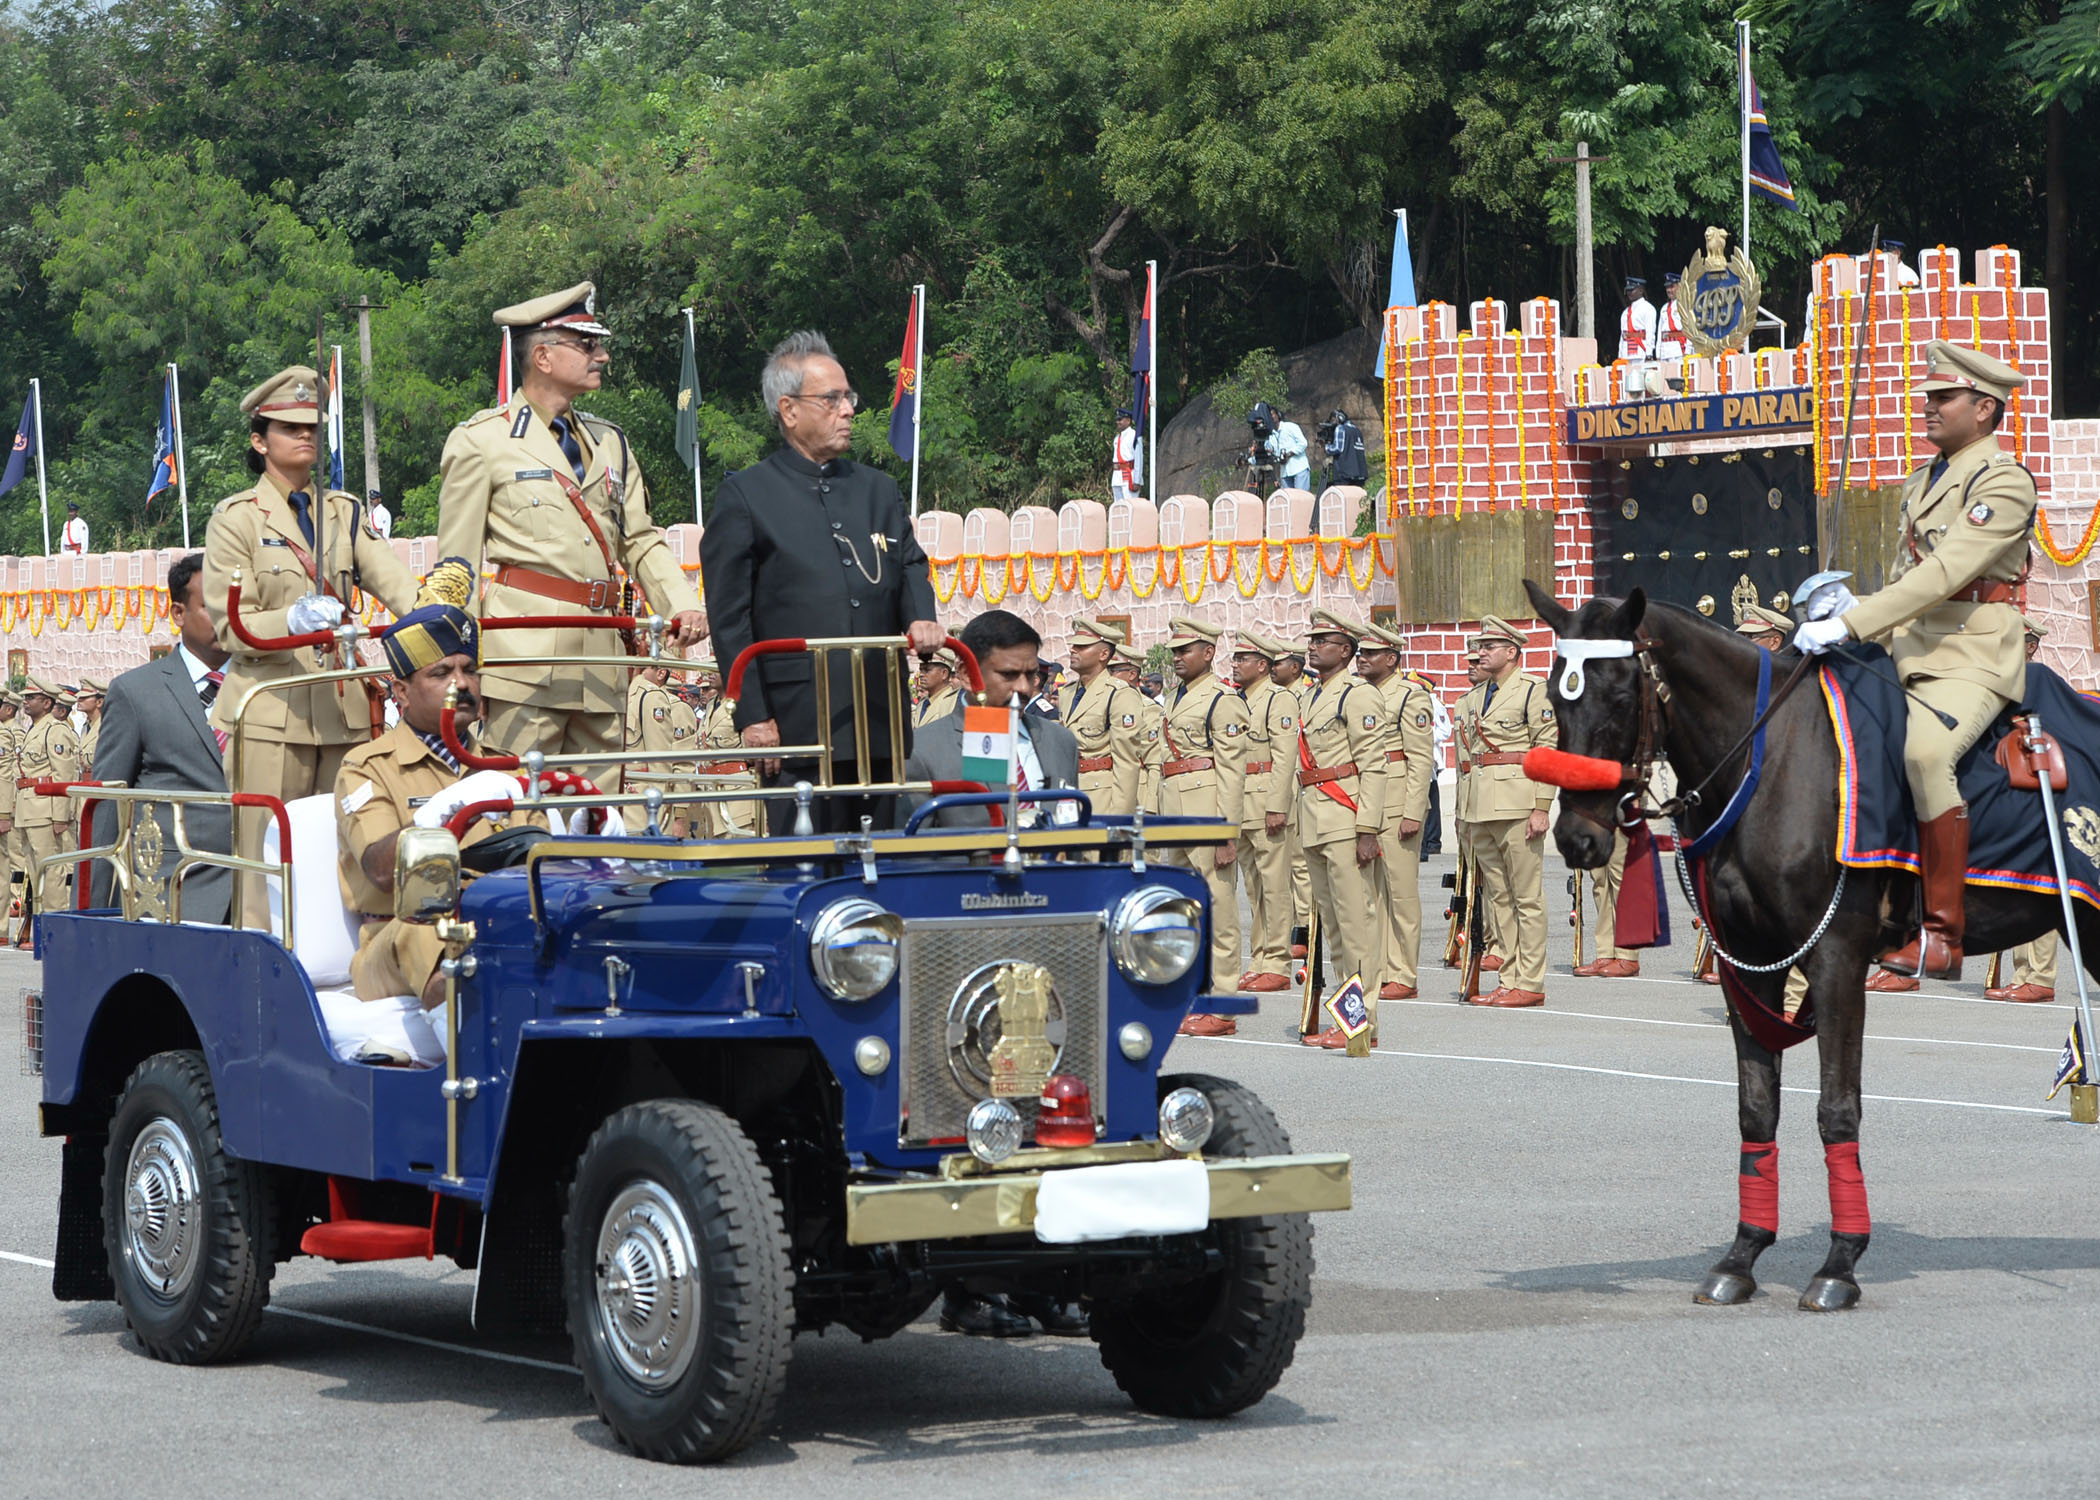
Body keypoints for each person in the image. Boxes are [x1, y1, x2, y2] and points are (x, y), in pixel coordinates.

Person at [1793, 341, 2036, 981]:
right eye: (1928, 396)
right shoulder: (1923, 479)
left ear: (1985, 408)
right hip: (1907, 647)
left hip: (1972, 653)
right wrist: (1854, 606)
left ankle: (1941, 935)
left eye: (1942, 398)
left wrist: (1853, 620)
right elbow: (1910, 580)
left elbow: (1951, 572)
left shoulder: (2003, 481)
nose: (1927, 407)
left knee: (1926, 755)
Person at [437, 281, 707, 788]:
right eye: (586, 344)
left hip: (600, 662)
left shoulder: (610, 441)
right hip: (523, 662)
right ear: (542, 355)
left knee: (597, 822)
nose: (601, 355)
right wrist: (458, 666)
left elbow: (640, 539)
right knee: (518, 812)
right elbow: (457, 568)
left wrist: (681, 603)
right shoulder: (483, 441)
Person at [204, 364, 421, 929]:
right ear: (260, 440)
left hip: (342, 712)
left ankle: (349, 976)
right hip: (271, 712)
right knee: (263, 866)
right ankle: (260, 977)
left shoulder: (343, 513)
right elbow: (232, 627)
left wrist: (440, 621)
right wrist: (295, 617)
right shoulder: (237, 521)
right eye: (288, 427)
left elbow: (399, 588)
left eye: (312, 427)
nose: (305, 436)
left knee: (347, 854)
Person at [701, 331, 943, 834]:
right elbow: (730, 619)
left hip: (879, 721)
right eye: (831, 399)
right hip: (795, 726)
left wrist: (921, 615)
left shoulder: (879, 489)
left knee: (881, 865)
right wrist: (752, 715)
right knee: (806, 868)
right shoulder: (746, 496)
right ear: (789, 410)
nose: (848, 410)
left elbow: (910, 564)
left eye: (848, 397)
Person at [335, 568, 542, 1013]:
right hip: (396, 937)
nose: (462, 684)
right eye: (442, 673)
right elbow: (377, 868)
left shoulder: (508, 766)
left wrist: (576, 828)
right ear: (401, 692)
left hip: (499, 919)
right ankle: (469, 1068)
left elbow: (542, 858)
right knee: (430, 925)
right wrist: (441, 811)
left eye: (469, 670)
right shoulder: (367, 767)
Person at [88, 553, 234, 922]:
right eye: (211, 606)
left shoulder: (267, 689)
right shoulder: (136, 693)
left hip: (264, 893)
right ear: (178, 614)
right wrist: (90, 915)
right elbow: (107, 809)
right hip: (172, 895)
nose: (227, 618)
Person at [1294, 611, 1387, 1047]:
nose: (1313, 646)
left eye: (1323, 640)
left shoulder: (1358, 695)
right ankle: (1345, 1014)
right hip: (1315, 819)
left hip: (1346, 819)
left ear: (1346, 651)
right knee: (1333, 927)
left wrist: (1368, 828)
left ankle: (1360, 1022)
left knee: (1356, 925)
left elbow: (1373, 764)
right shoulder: (1311, 696)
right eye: (1311, 640)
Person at [1453, 615, 1556, 1007]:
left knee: (1526, 898)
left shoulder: (1533, 691)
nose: (1480, 653)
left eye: (1488, 647)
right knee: (1499, 897)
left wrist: (1542, 806)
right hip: (1480, 808)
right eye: (1480, 647)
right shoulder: (1478, 695)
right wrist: (1463, 811)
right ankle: (1509, 977)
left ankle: (1529, 981)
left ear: (1512, 652)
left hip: (1518, 804)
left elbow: (1547, 750)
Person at [902, 609, 1077, 831]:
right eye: (1008, 675)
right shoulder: (923, 751)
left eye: (1031, 675)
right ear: (966, 674)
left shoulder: (1060, 741)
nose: (1024, 688)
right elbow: (917, 853)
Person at [1158, 617, 1250, 1036]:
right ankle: (1188, 995)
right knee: (1178, 908)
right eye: (1174, 651)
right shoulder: (1175, 696)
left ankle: (1224, 1004)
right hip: (1175, 809)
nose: (1177, 658)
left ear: (1208, 653)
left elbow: (1232, 773)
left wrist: (1226, 831)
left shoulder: (1222, 699)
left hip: (1207, 811)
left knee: (1221, 908)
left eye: (1185, 650)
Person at [1985, 617, 2057, 1003]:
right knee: (2019, 884)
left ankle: (2040, 977)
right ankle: (2023, 973)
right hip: (2013, 794)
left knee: (2039, 885)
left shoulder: (2037, 681)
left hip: (2036, 793)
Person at [1362, 623, 1435, 1000]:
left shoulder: (1410, 696)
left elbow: (1421, 759)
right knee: (1370, 895)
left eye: (1371, 653)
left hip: (1395, 801)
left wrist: (1413, 811)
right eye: (1360, 653)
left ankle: (1403, 973)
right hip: (1365, 804)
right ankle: (1378, 969)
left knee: (1401, 893)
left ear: (1391, 659)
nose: (1362, 658)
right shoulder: (1357, 694)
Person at [1229, 631, 1295, 993]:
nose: (1236, 665)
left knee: (1274, 886)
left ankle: (1278, 961)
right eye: (1234, 659)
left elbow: (1284, 758)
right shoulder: (1234, 699)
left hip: (1265, 798)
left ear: (1263, 665)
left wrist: (1276, 805)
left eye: (1243, 659)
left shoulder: (1277, 700)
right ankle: (1259, 958)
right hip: (1240, 800)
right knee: (1254, 888)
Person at [1059, 617, 1146, 821]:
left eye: (1082, 646)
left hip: (1103, 796)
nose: (1073, 650)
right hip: (1070, 793)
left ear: (1104, 654)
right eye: (1073, 645)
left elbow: (1126, 762)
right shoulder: (1067, 693)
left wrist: (1120, 818)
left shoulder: (1119, 694)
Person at [16, 676, 81, 918]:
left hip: (45, 810)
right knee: (35, 873)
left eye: (31, 698)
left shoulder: (55, 730)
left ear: (46, 703)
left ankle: (56, 921)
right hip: (28, 809)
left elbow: (62, 777)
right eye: (24, 697)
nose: (25, 702)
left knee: (51, 871)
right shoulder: (33, 730)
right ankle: (42, 922)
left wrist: (61, 816)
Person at [1270, 641, 1315, 958]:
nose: (1273, 668)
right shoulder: (1275, 699)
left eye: (1279, 663)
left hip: (1305, 787)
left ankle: (1306, 928)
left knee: (1301, 864)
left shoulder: (1306, 696)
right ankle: (1292, 927)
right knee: (1282, 865)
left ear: (1295, 667)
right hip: (1282, 788)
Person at [626, 655, 695, 836]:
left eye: (644, 666)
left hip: (641, 802)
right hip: (628, 798)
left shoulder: (651, 697)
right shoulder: (629, 693)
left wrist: (675, 814)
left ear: (661, 672)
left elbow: (664, 764)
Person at [693, 659, 763, 840]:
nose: (710, 671)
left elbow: (754, 754)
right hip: (711, 789)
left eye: (716, 665)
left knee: (741, 852)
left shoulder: (741, 703)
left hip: (738, 791)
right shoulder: (711, 705)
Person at [1107, 643, 1164, 810]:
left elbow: (1154, 761)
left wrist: (1151, 808)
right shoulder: (1104, 702)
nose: (1108, 676)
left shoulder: (1148, 708)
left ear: (1132, 674)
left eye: (1113, 671)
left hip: (1136, 795)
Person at [1256, 403, 1313, 492]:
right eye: (1268, 416)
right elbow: (1272, 450)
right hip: (1285, 472)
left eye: (1272, 414)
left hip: (1299, 468)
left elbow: (1303, 443)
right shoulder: (1271, 434)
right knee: (1287, 499)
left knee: (1301, 498)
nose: (1271, 417)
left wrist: (1289, 454)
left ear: (1278, 415)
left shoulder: (1290, 427)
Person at [914, 647, 964, 728]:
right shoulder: (923, 703)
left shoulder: (955, 701)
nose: (921, 674)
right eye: (921, 670)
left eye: (926, 670)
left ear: (944, 673)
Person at [1323, 409, 1368, 490]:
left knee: (1342, 498)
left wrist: (1326, 447)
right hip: (1360, 472)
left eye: (1334, 420)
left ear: (1340, 418)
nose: (1334, 423)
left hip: (1344, 474)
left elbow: (1337, 448)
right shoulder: (1357, 430)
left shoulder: (1340, 428)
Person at [1618, 277, 1658, 365]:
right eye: (1628, 290)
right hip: (1626, 353)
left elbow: (1650, 332)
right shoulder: (1625, 312)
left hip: (1641, 352)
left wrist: (1649, 353)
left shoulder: (1648, 308)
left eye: (1632, 290)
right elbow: (1623, 335)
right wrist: (1620, 355)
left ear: (1641, 290)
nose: (1629, 293)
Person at [1110, 408, 1143, 502]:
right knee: (1118, 508)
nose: (1118, 422)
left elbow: (1139, 458)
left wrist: (1137, 480)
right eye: (1117, 420)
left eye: (1120, 419)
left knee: (1130, 506)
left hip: (1129, 475)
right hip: (1117, 476)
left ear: (1128, 421)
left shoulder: (1134, 435)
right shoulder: (1117, 437)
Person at [1657, 272, 1689, 362]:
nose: (1669, 290)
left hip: (1679, 348)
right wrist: (1657, 353)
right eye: (1667, 287)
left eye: (1672, 287)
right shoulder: (1664, 308)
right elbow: (1660, 332)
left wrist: (1688, 350)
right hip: (1665, 349)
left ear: (1679, 286)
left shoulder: (1685, 304)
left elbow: (1690, 329)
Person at [74, 679, 105, 770]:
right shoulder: (86, 726)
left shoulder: (106, 726)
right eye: (79, 697)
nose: (79, 700)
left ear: (99, 702)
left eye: (85, 697)